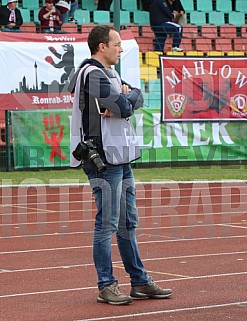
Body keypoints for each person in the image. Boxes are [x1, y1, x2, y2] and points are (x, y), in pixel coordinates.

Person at [69, 25, 173, 305]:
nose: (121, 48)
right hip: (103, 160)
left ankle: (139, 282)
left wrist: (123, 99)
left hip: (120, 157)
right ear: (101, 46)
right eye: (116, 44)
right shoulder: (92, 74)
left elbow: (136, 95)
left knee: (128, 223)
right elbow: (126, 106)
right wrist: (122, 101)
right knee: (107, 224)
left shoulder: (108, 74)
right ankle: (106, 284)